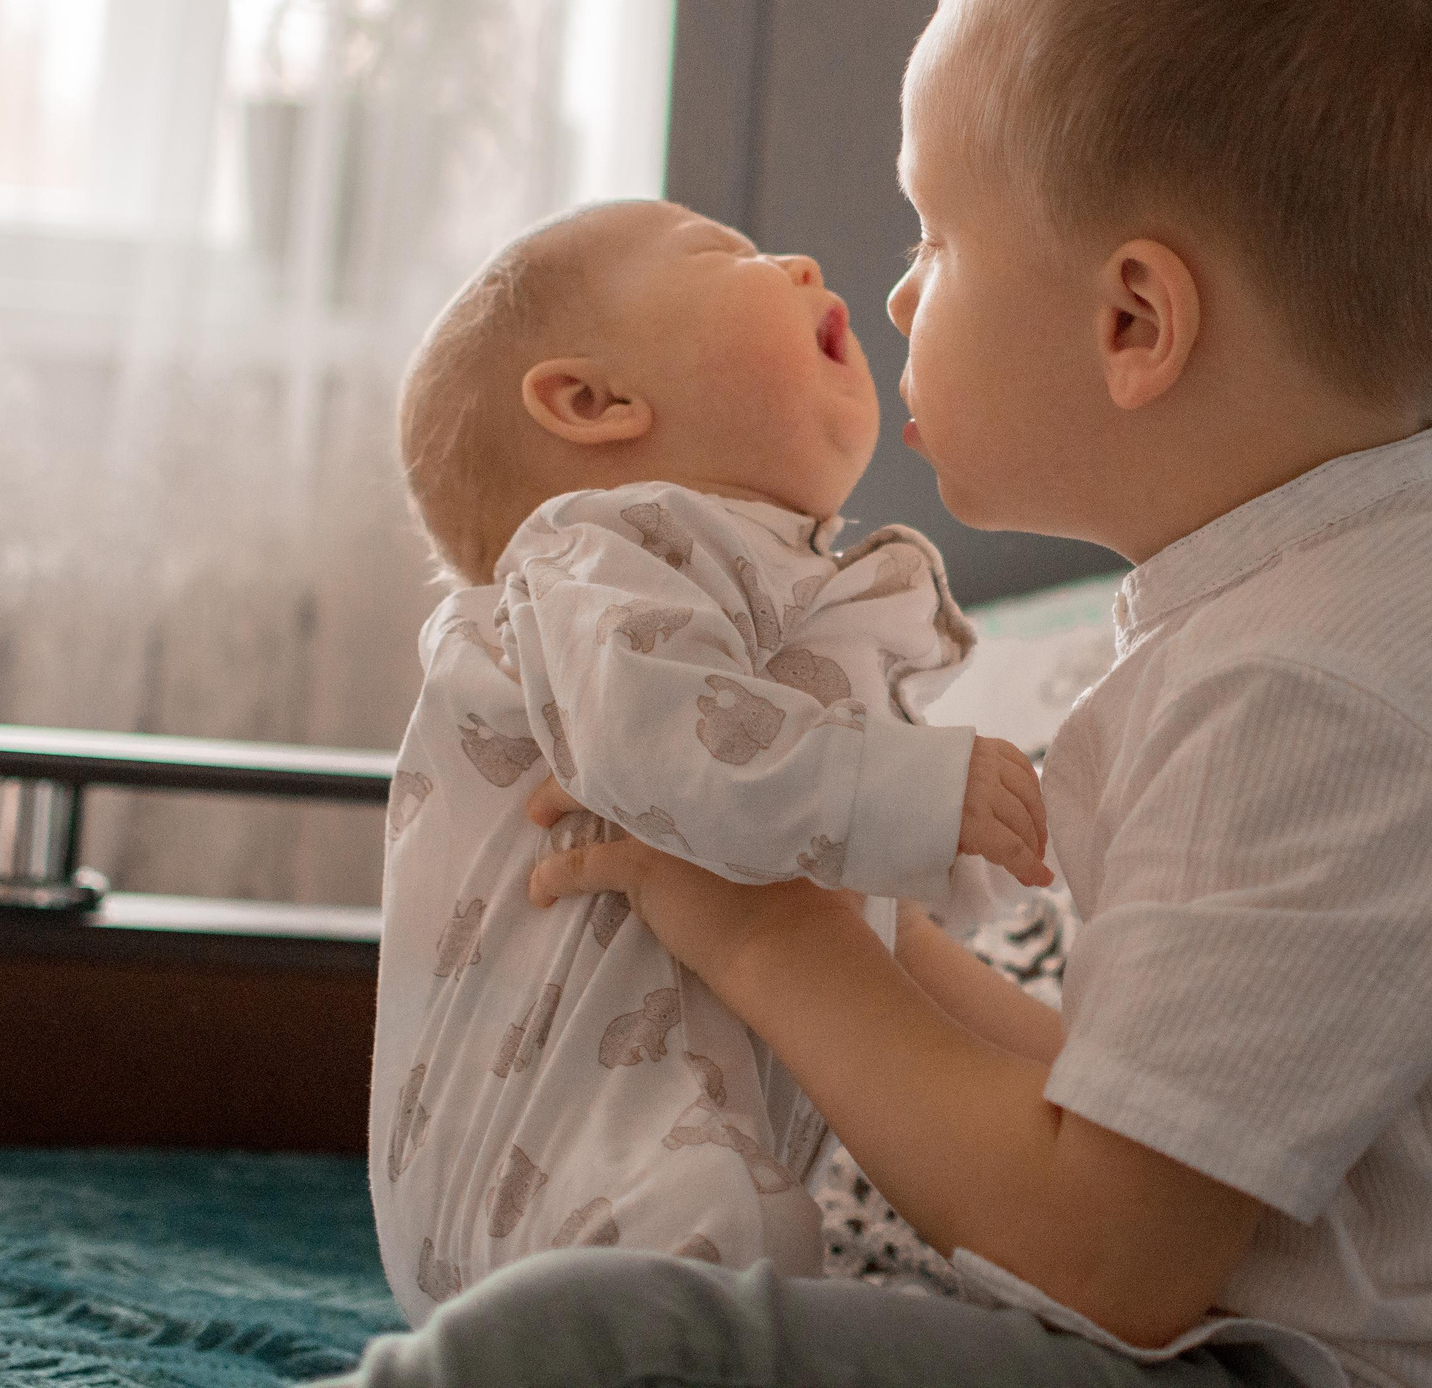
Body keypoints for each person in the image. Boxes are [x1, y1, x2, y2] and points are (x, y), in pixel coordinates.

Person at [327, 0, 1432, 1388]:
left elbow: (1102, 1246)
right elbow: (1125, 1106)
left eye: (939, 229)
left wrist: (757, 926)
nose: (900, 284)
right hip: (1268, 1331)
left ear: (1135, 321)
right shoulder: (1338, 598)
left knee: (595, 1341)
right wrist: (868, 923)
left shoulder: (1337, 691)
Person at [370, 198, 1053, 1321]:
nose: (798, 258)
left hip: (631, 1187)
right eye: (721, 256)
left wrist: (962, 847)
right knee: (735, 1267)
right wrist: (919, 795)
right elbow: (673, 746)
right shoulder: (592, 555)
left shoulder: (766, 621)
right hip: (574, 1174)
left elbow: (867, 906)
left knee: (757, 1263)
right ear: (592, 402)